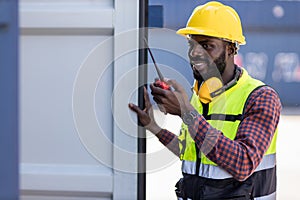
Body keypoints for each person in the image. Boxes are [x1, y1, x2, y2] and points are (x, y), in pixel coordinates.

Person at [129, 1, 281, 200]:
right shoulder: (200, 97)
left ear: (231, 49)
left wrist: (186, 112)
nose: (195, 53)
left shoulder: (261, 97)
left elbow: (243, 163)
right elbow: (189, 152)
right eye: (192, 44)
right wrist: (153, 126)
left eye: (207, 45)